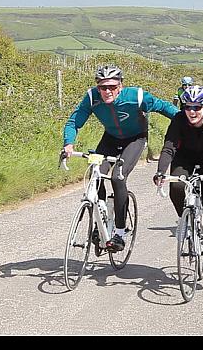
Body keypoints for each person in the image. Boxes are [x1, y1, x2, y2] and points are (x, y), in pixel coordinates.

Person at [63, 64, 179, 251]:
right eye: (103, 87)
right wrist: (68, 144)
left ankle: (119, 231)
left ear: (120, 86)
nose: (107, 91)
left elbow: (164, 107)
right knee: (97, 175)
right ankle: (99, 224)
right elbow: (74, 121)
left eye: (112, 87)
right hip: (110, 138)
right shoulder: (92, 98)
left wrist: (187, 123)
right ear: (97, 87)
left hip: (135, 139)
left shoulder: (136, 97)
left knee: (118, 177)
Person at [153, 85, 203, 270]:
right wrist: (161, 171)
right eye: (188, 107)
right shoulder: (179, 119)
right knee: (177, 187)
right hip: (184, 157)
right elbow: (169, 148)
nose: (192, 111)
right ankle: (185, 220)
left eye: (197, 107)